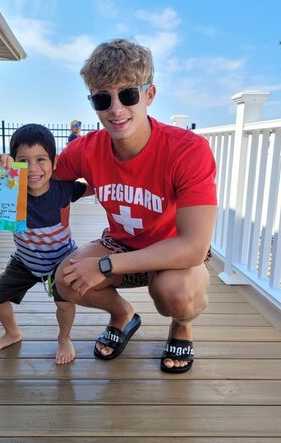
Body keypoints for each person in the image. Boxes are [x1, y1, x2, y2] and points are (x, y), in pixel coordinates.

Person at [52, 38, 217, 373]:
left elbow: (194, 246)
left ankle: (182, 325)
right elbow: (46, 181)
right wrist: (7, 168)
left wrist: (104, 266)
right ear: (93, 103)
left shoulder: (188, 150)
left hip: (172, 252)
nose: (115, 108)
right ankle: (122, 315)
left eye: (127, 94)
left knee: (177, 292)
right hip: (119, 241)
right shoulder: (83, 150)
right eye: (102, 98)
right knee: (65, 280)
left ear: (149, 95)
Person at [0, 124, 92, 364]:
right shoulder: (9, 190)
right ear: (15, 162)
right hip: (25, 260)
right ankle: (12, 332)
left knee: (64, 304)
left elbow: (96, 187)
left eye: (41, 159)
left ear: (54, 162)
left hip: (61, 260)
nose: (33, 168)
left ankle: (64, 339)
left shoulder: (64, 188)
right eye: (24, 160)